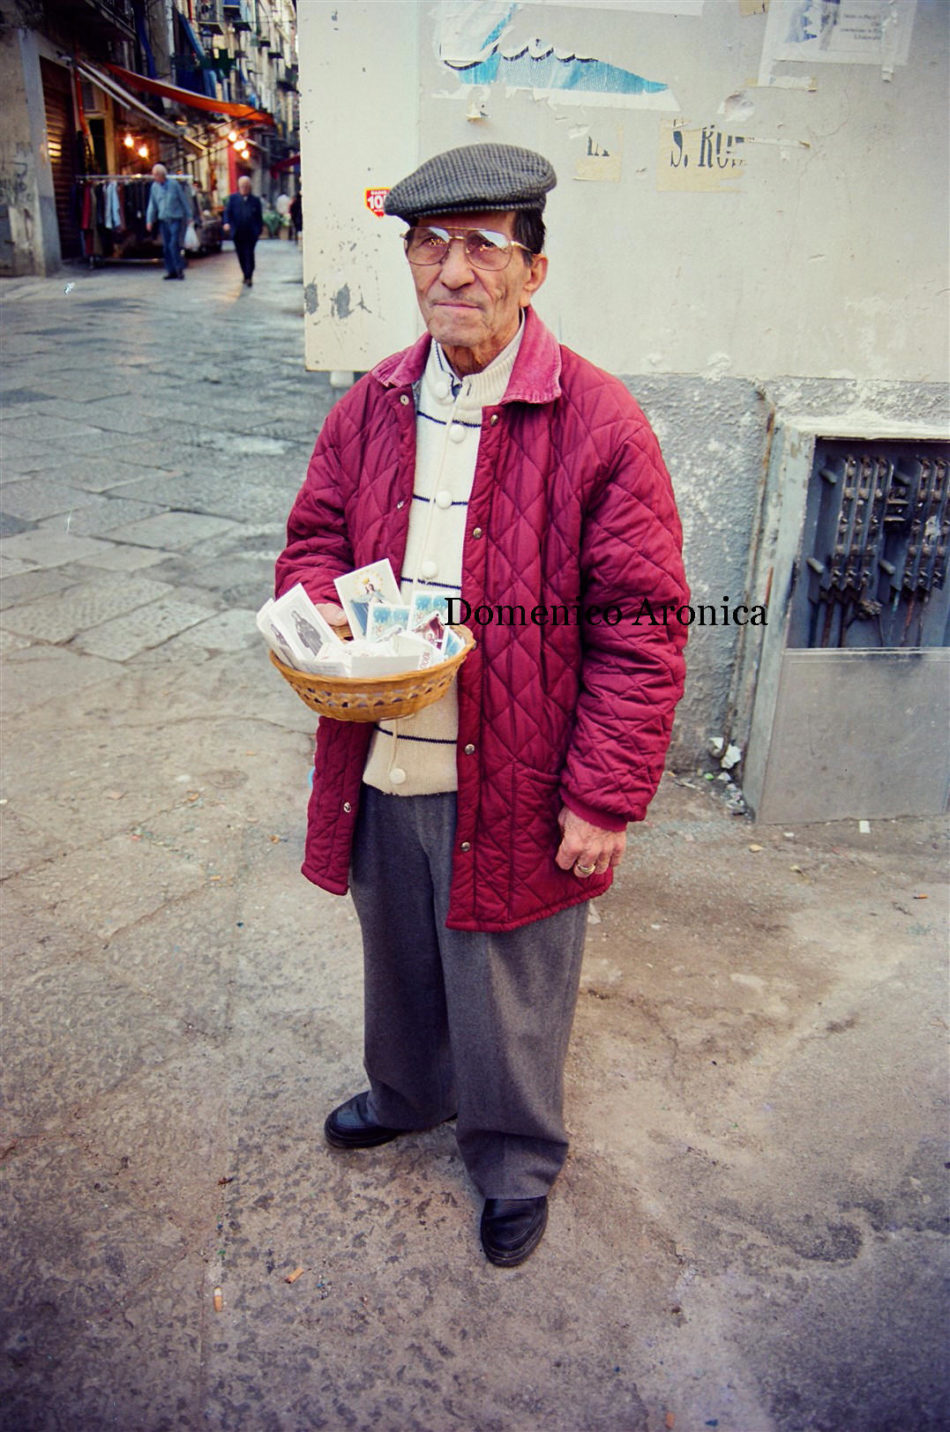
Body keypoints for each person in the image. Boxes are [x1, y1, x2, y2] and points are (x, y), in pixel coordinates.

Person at [275, 143, 688, 1267]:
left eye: (481, 246)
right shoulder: (369, 403)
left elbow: (643, 625)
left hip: (518, 758)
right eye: (426, 243)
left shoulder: (598, 422)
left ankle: (512, 1158)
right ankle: (407, 1090)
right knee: (397, 945)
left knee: (509, 976)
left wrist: (601, 796)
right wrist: (322, 614)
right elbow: (313, 536)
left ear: (531, 271)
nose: (450, 271)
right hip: (384, 737)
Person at [146, 164, 190, 280]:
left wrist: (189, 215)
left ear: (162, 175)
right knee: (166, 247)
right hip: (163, 220)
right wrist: (149, 220)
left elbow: (183, 200)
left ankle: (179, 269)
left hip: (175, 218)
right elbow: (152, 204)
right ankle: (171, 271)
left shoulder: (174, 185)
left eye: (156, 175)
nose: (154, 177)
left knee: (173, 244)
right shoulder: (154, 187)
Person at [223, 176, 264, 287]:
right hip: (238, 232)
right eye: (242, 186)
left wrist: (259, 230)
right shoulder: (233, 199)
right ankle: (245, 274)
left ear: (249, 187)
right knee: (241, 254)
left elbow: (259, 217)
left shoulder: (255, 200)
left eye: (246, 186)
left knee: (249, 254)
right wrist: (226, 223)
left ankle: (249, 276)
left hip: (251, 233)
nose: (244, 188)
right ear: (239, 186)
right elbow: (227, 213)